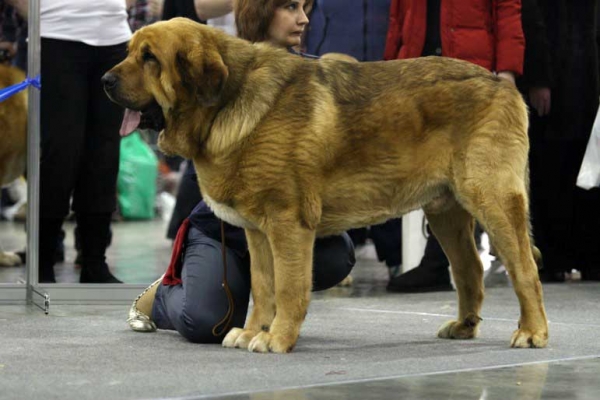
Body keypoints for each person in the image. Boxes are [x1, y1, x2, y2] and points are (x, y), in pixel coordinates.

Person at [127, 0, 356, 344]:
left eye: (306, 7)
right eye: (291, 7)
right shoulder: (211, 75)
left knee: (336, 258)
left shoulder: (313, 76)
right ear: (260, 12)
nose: (303, 18)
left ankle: (255, 297)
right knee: (206, 323)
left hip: (278, 222)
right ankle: (161, 295)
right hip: (221, 230)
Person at [384, 0, 524, 292]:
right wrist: (388, 73)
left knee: (482, 183)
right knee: (430, 175)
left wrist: (508, 69)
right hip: (415, 77)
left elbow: (507, 10)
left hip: (471, 80)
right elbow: (399, 18)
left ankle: (509, 265)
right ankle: (440, 264)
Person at [38, 0, 137, 283]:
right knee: (60, 150)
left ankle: (95, 261)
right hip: (56, 35)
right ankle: (42, 261)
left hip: (115, 37)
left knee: (105, 152)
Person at [527, 0, 600, 282]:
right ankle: (552, 257)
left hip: (586, 76)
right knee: (551, 166)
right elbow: (533, 22)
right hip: (556, 79)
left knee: (586, 168)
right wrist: (539, 78)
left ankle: (587, 255)